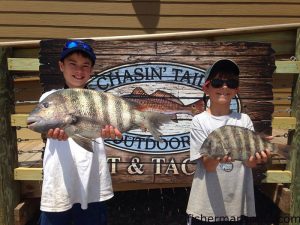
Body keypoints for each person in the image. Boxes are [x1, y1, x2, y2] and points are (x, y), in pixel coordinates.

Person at [39, 40, 122, 225]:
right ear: (61, 66)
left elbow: (109, 125)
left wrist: (108, 132)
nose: (79, 70)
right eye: (72, 64)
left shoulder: (99, 99)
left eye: (85, 66)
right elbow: (43, 125)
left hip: (93, 183)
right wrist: (48, 133)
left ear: (91, 70)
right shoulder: (50, 98)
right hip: (59, 185)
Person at [186, 59, 271, 225]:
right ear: (206, 88)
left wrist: (259, 156)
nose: (224, 87)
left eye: (231, 83)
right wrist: (218, 154)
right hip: (204, 208)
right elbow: (209, 166)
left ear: (236, 89)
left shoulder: (243, 119)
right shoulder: (199, 121)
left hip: (237, 208)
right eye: (217, 82)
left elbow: (249, 162)